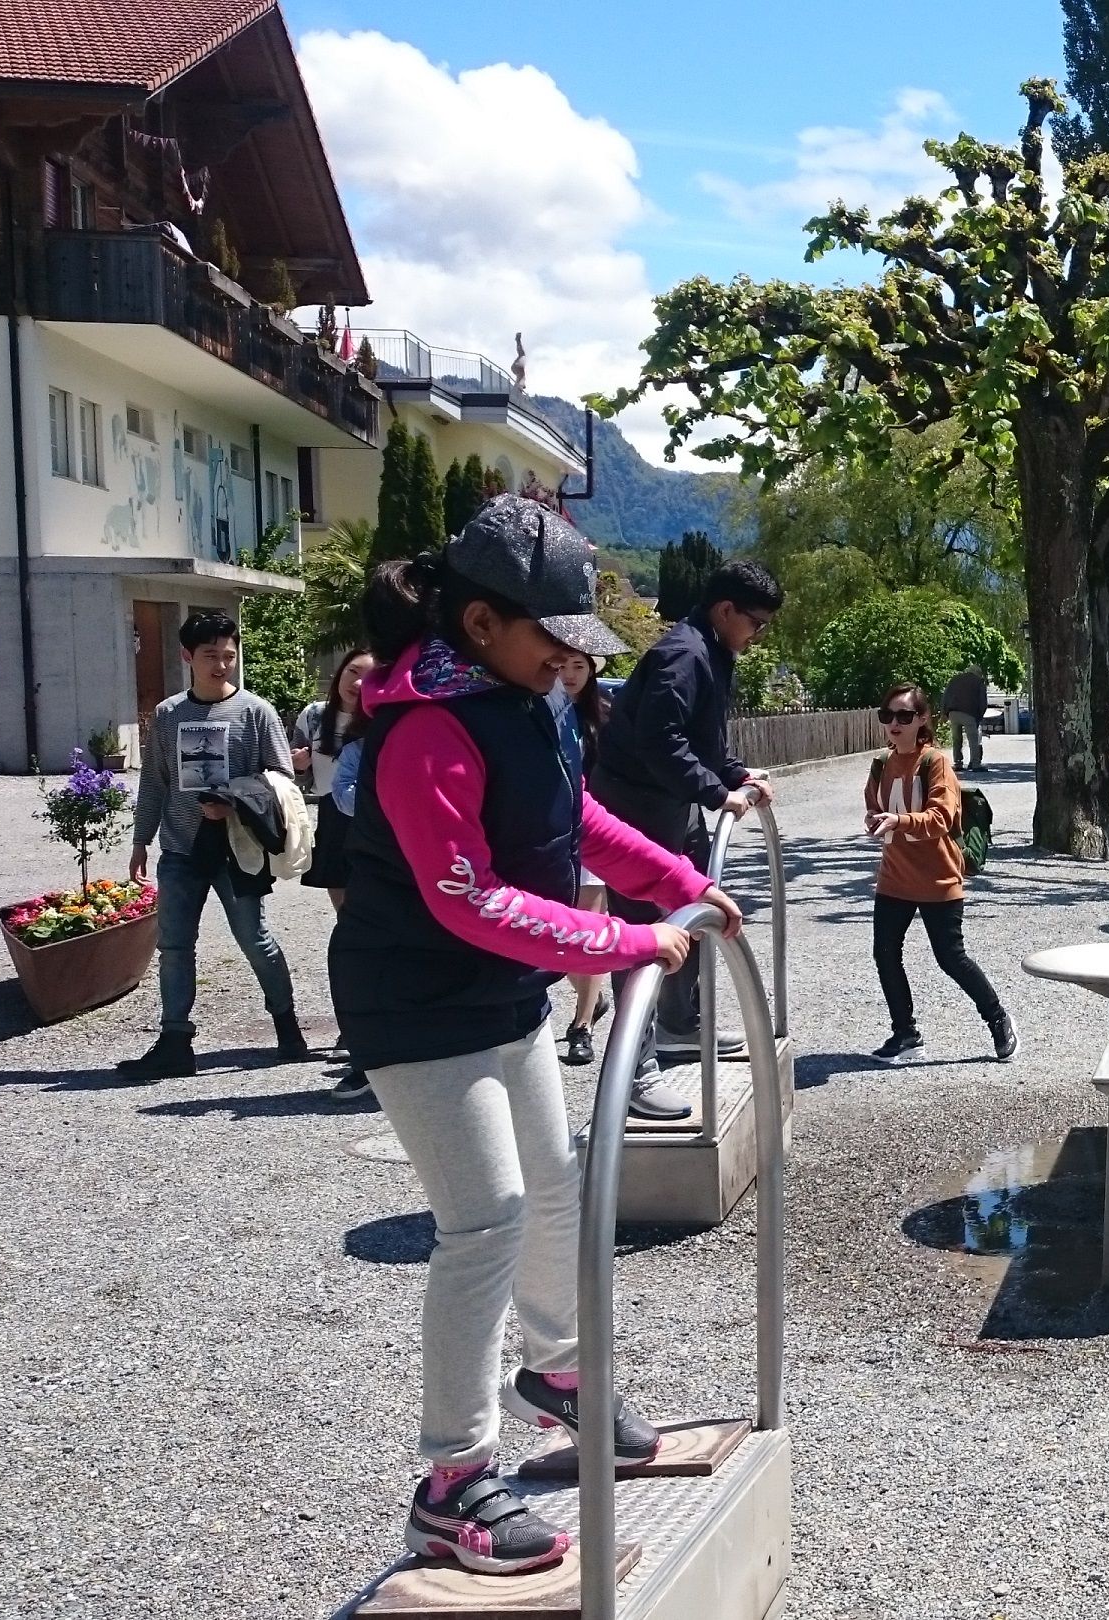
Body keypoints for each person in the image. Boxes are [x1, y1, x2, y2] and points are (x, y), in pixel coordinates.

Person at [333, 494, 742, 1575]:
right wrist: (621, 940)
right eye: (554, 637)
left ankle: (562, 1377)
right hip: (417, 1003)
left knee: (558, 1184)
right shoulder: (425, 726)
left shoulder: (526, 703)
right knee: (488, 1221)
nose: (572, 659)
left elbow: (579, 822)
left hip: (499, 991)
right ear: (480, 625)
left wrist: (681, 883)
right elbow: (465, 896)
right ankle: (451, 1480)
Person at [592, 558, 779, 1118]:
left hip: (671, 804)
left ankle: (680, 1023)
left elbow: (706, 737)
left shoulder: (715, 651)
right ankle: (633, 1070)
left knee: (695, 905)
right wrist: (714, 792)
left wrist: (735, 775)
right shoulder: (683, 653)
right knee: (642, 933)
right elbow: (659, 739)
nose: (758, 633)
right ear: (726, 610)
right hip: (634, 806)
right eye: (756, 622)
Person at [118, 609, 310, 1080]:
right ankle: (175, 1041)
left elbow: (283, 779)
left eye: (229, 655)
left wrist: (235, 804)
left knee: (254, 939)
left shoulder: (256, 712)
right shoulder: (167, 714)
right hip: (181, 848)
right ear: (187, 656)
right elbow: (155, 783)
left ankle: (287, 1026)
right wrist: (141, 840)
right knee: (175, 946)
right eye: (210, 656)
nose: (221, 665)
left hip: (238, 847)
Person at [863, 683, 1015, 1063]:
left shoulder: (935, 763)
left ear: (923, 719)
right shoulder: (881, 764)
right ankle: (905, 1033)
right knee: (885, 954)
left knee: (951, 958)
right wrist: (876, 820)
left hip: (938, 879)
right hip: (894, 877)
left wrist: (897, 820)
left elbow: (941, 817)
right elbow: (874, 805)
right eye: (888, 716)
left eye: (904, 716)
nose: (895, 724)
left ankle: (998, 1019)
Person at [297, 649, 377, 1102]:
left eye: (369, 677)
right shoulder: (316, 716)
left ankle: (367, 1031)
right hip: (333, 816)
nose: (358, 684)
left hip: (370, 823)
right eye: (352, 673)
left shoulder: (382, 721)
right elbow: (301, 770)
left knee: (368, 927)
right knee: (349, 925)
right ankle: (359, 1030)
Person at [555, 650, 613, 1067]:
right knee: (557, 939)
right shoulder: (532, 712)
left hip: (592, 834)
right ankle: (592, 996)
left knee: (587, 933)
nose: (571, 675)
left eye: (580, 666)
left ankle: (582, 1026)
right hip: (546, 837)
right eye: (563, 666)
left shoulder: (604, 720)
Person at [941, 663, 989, 771]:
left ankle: (958, 763)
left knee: (956, 739)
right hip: (969, 714)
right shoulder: (978, 682)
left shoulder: (955, 679)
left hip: (953, 713)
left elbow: (945, 695)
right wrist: (979, 716)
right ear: (978, 673)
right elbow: (983, 702)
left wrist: (944, 712)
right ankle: (975, 763)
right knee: (973, 739)